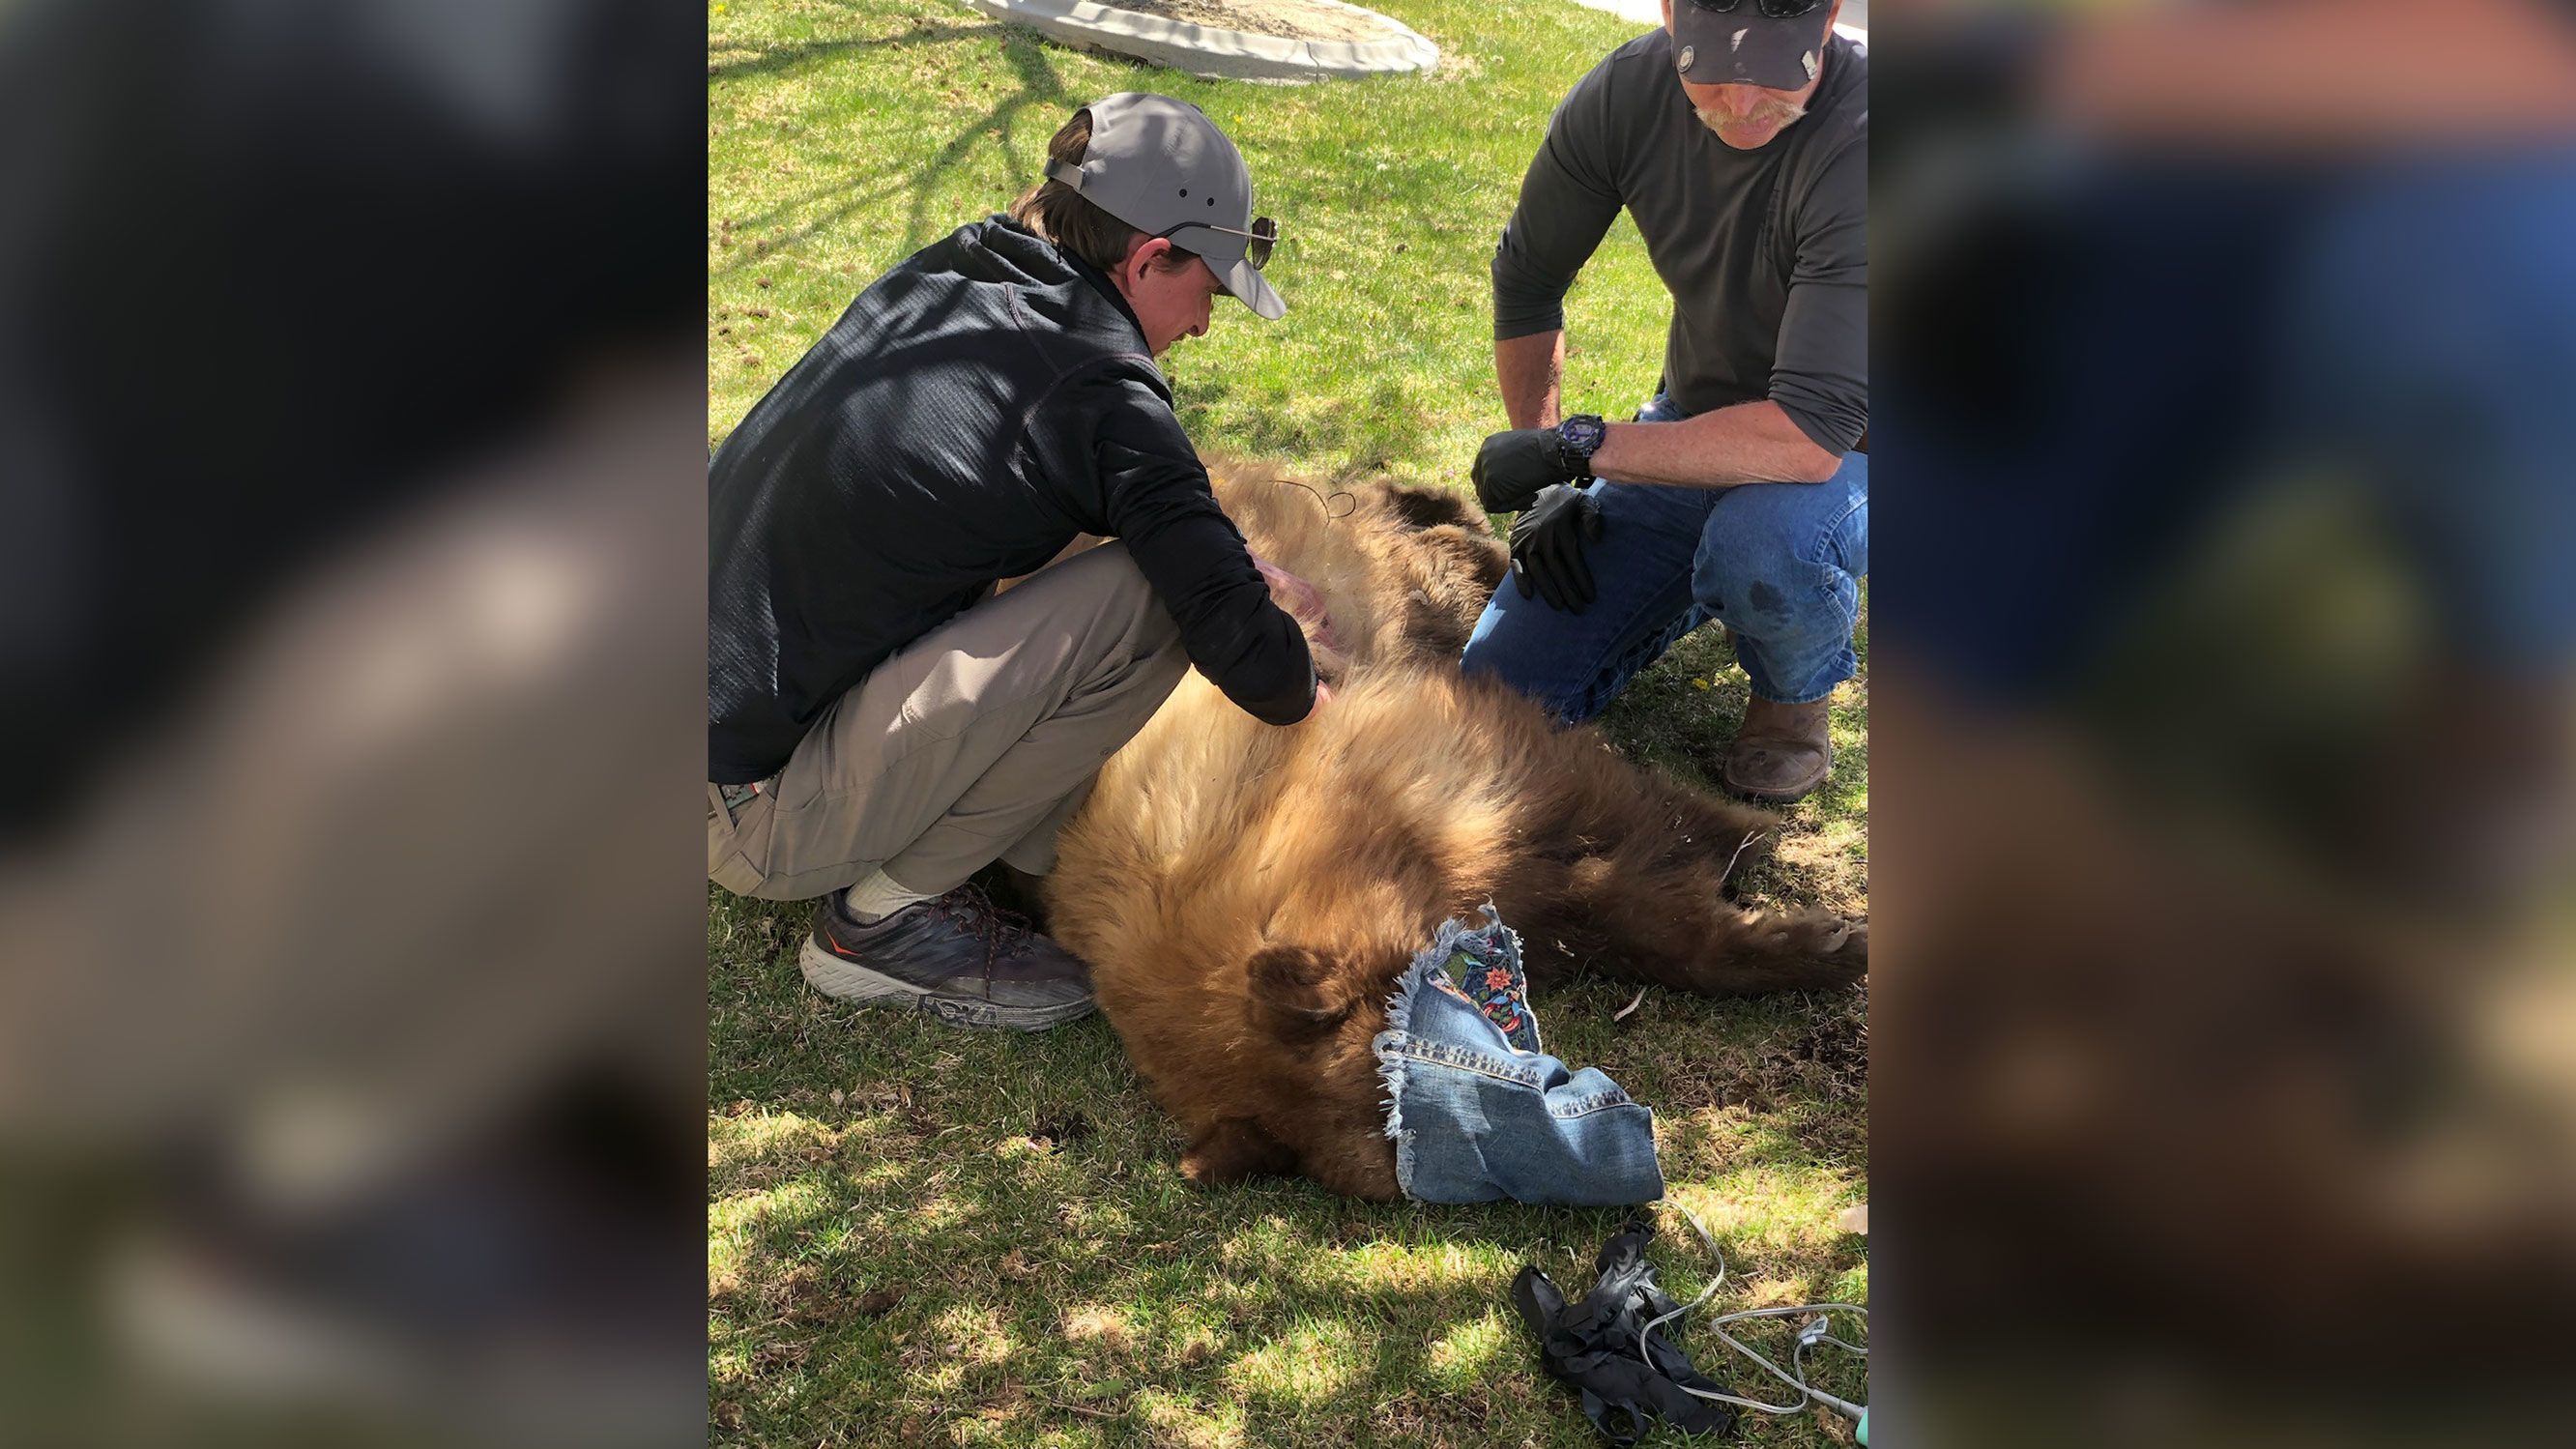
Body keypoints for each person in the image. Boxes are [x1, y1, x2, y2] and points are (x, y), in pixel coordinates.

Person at [707, 94, 1332, 1030]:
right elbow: (1264, 672)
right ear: (1148, 257)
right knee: (1146, 597)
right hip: (748, 817)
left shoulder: (950, 275)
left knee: (1129, 559)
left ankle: (985, 845)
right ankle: (882, 926)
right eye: (1208, 289)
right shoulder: (1103, 391)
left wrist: (1222, 561)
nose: (1204, 324)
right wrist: (1339, 710)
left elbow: (1109, 495)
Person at [1462, 0, 1868, 802]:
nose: (1744, 107)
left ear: (1826, 22)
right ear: (1670, 14)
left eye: (1776, 77)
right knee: (1496, 695)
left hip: (1864, 445)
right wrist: (1547, 469)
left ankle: (1791, 700)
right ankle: (1701, 569)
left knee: (1766, 543)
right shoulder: (1625, 94)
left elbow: (1807, 438)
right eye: (1711, 78)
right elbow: (1528, 279)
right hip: (1697, 418)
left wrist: (1573, 447)